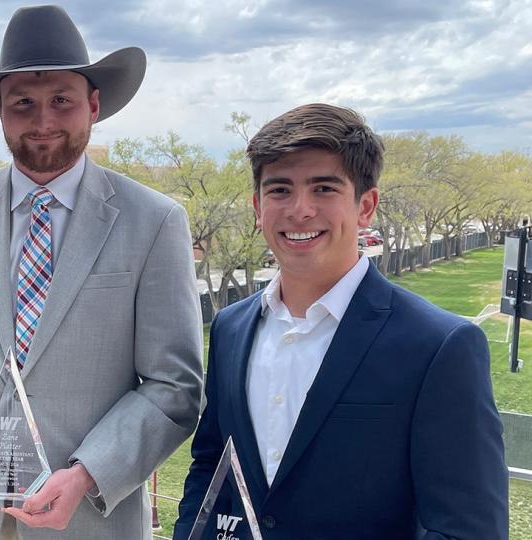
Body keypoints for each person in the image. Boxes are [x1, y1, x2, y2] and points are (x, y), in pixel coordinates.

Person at [0, 5, 203, 539]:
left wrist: (86, 474)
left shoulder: (154, 221)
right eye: (23, 104)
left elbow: (174, 386)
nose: (43, 122)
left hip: (89, 520)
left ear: (94, 105)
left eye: (61, 100)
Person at [174, 103, 509, 539]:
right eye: (279, 190)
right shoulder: (231, 328)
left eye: (324, 189)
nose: (300, 209)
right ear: (258, 207)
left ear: (365, 206)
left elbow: (468, 527)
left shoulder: (438, 345)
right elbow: (211, 465)